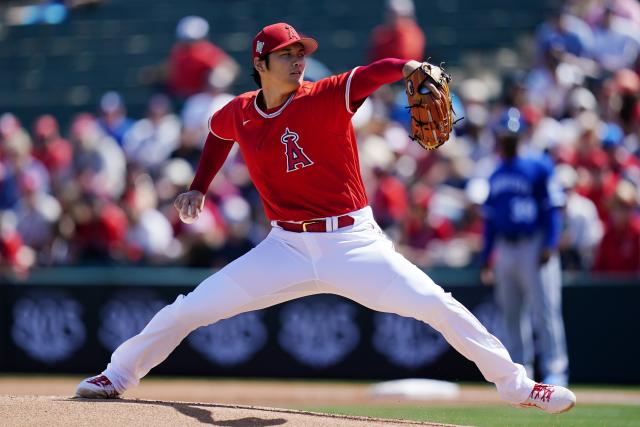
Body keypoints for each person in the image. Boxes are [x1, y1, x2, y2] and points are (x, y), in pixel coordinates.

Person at [75, 22, 576, 414]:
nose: (298, 61)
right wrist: (199, 186)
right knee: (190, 308)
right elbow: (217, 132)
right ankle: (117, 375)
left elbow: (376, 70)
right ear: (261, 62)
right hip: (285, 248)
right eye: (288, 54)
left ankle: (517, 385)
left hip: (353, 243)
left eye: (300, 54)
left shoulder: (324, 95)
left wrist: (408, 66)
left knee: (437, 305)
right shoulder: (242, 111)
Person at [480, 108, 570, 388]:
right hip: (506, 248)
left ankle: (556, 369)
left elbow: (552, 209)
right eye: (504, 136)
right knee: (511, 313)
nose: (508, 141)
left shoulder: (539, 165)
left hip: (534, 243)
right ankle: (522, 370)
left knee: (544, 310)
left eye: (512, 136)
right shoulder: (495, 173)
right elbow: (491, 222)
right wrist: (486, 258)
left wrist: (550, 244)